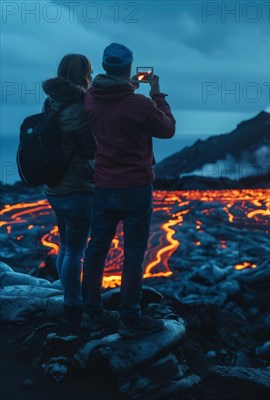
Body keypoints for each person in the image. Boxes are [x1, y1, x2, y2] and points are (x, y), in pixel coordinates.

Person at [81, 43, 176, 338]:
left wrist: (128, 87)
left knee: (96, 250)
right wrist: (156, 92)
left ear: (104, 66)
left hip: (101, 186)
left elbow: (112, 105)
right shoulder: (140, 104)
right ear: (128, 67)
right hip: (135, 187)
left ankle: (90, 314)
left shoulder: (90, 100)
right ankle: (130, 318)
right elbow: (168, 129)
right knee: (133, 254)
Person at [42, 54, 107, 329]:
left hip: (53, 187)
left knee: (65, 247)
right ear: (83, 74)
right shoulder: (79, 106)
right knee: (75, 250)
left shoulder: (51, 101)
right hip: (77, 188)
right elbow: (89, 148)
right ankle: (72, 307)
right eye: (90, 71)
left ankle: (67, 297)